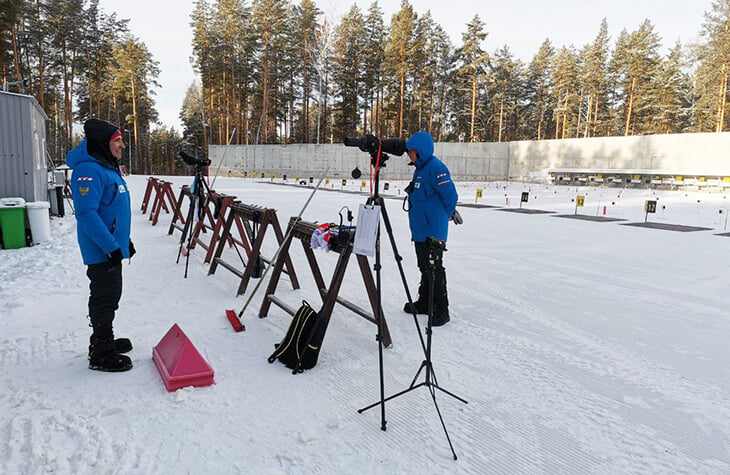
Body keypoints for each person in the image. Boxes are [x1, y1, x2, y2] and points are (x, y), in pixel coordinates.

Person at [66, 118, 135, 372]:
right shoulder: (89, 170)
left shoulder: (106, 166)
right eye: (117, 141)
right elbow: (87, 215)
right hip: (100, 251)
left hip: (111, 247)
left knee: (111, 294)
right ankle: (100, 351)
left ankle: (105, 337)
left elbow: (112, 209)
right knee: (104, 297)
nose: (122, 146)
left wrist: (123, 243)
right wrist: (110, 246)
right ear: (103, 143)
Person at [402, 131, 462, 326]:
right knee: (424, 267)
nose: (409, 155)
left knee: (434, 269)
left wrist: (446, 215)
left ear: (421, 151)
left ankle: (441, 310)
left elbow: (450, 196)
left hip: (433, 230)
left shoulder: (436, 168)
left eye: (411, 152)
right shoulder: (420, 169)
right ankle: (425, 303)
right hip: (420, 229)